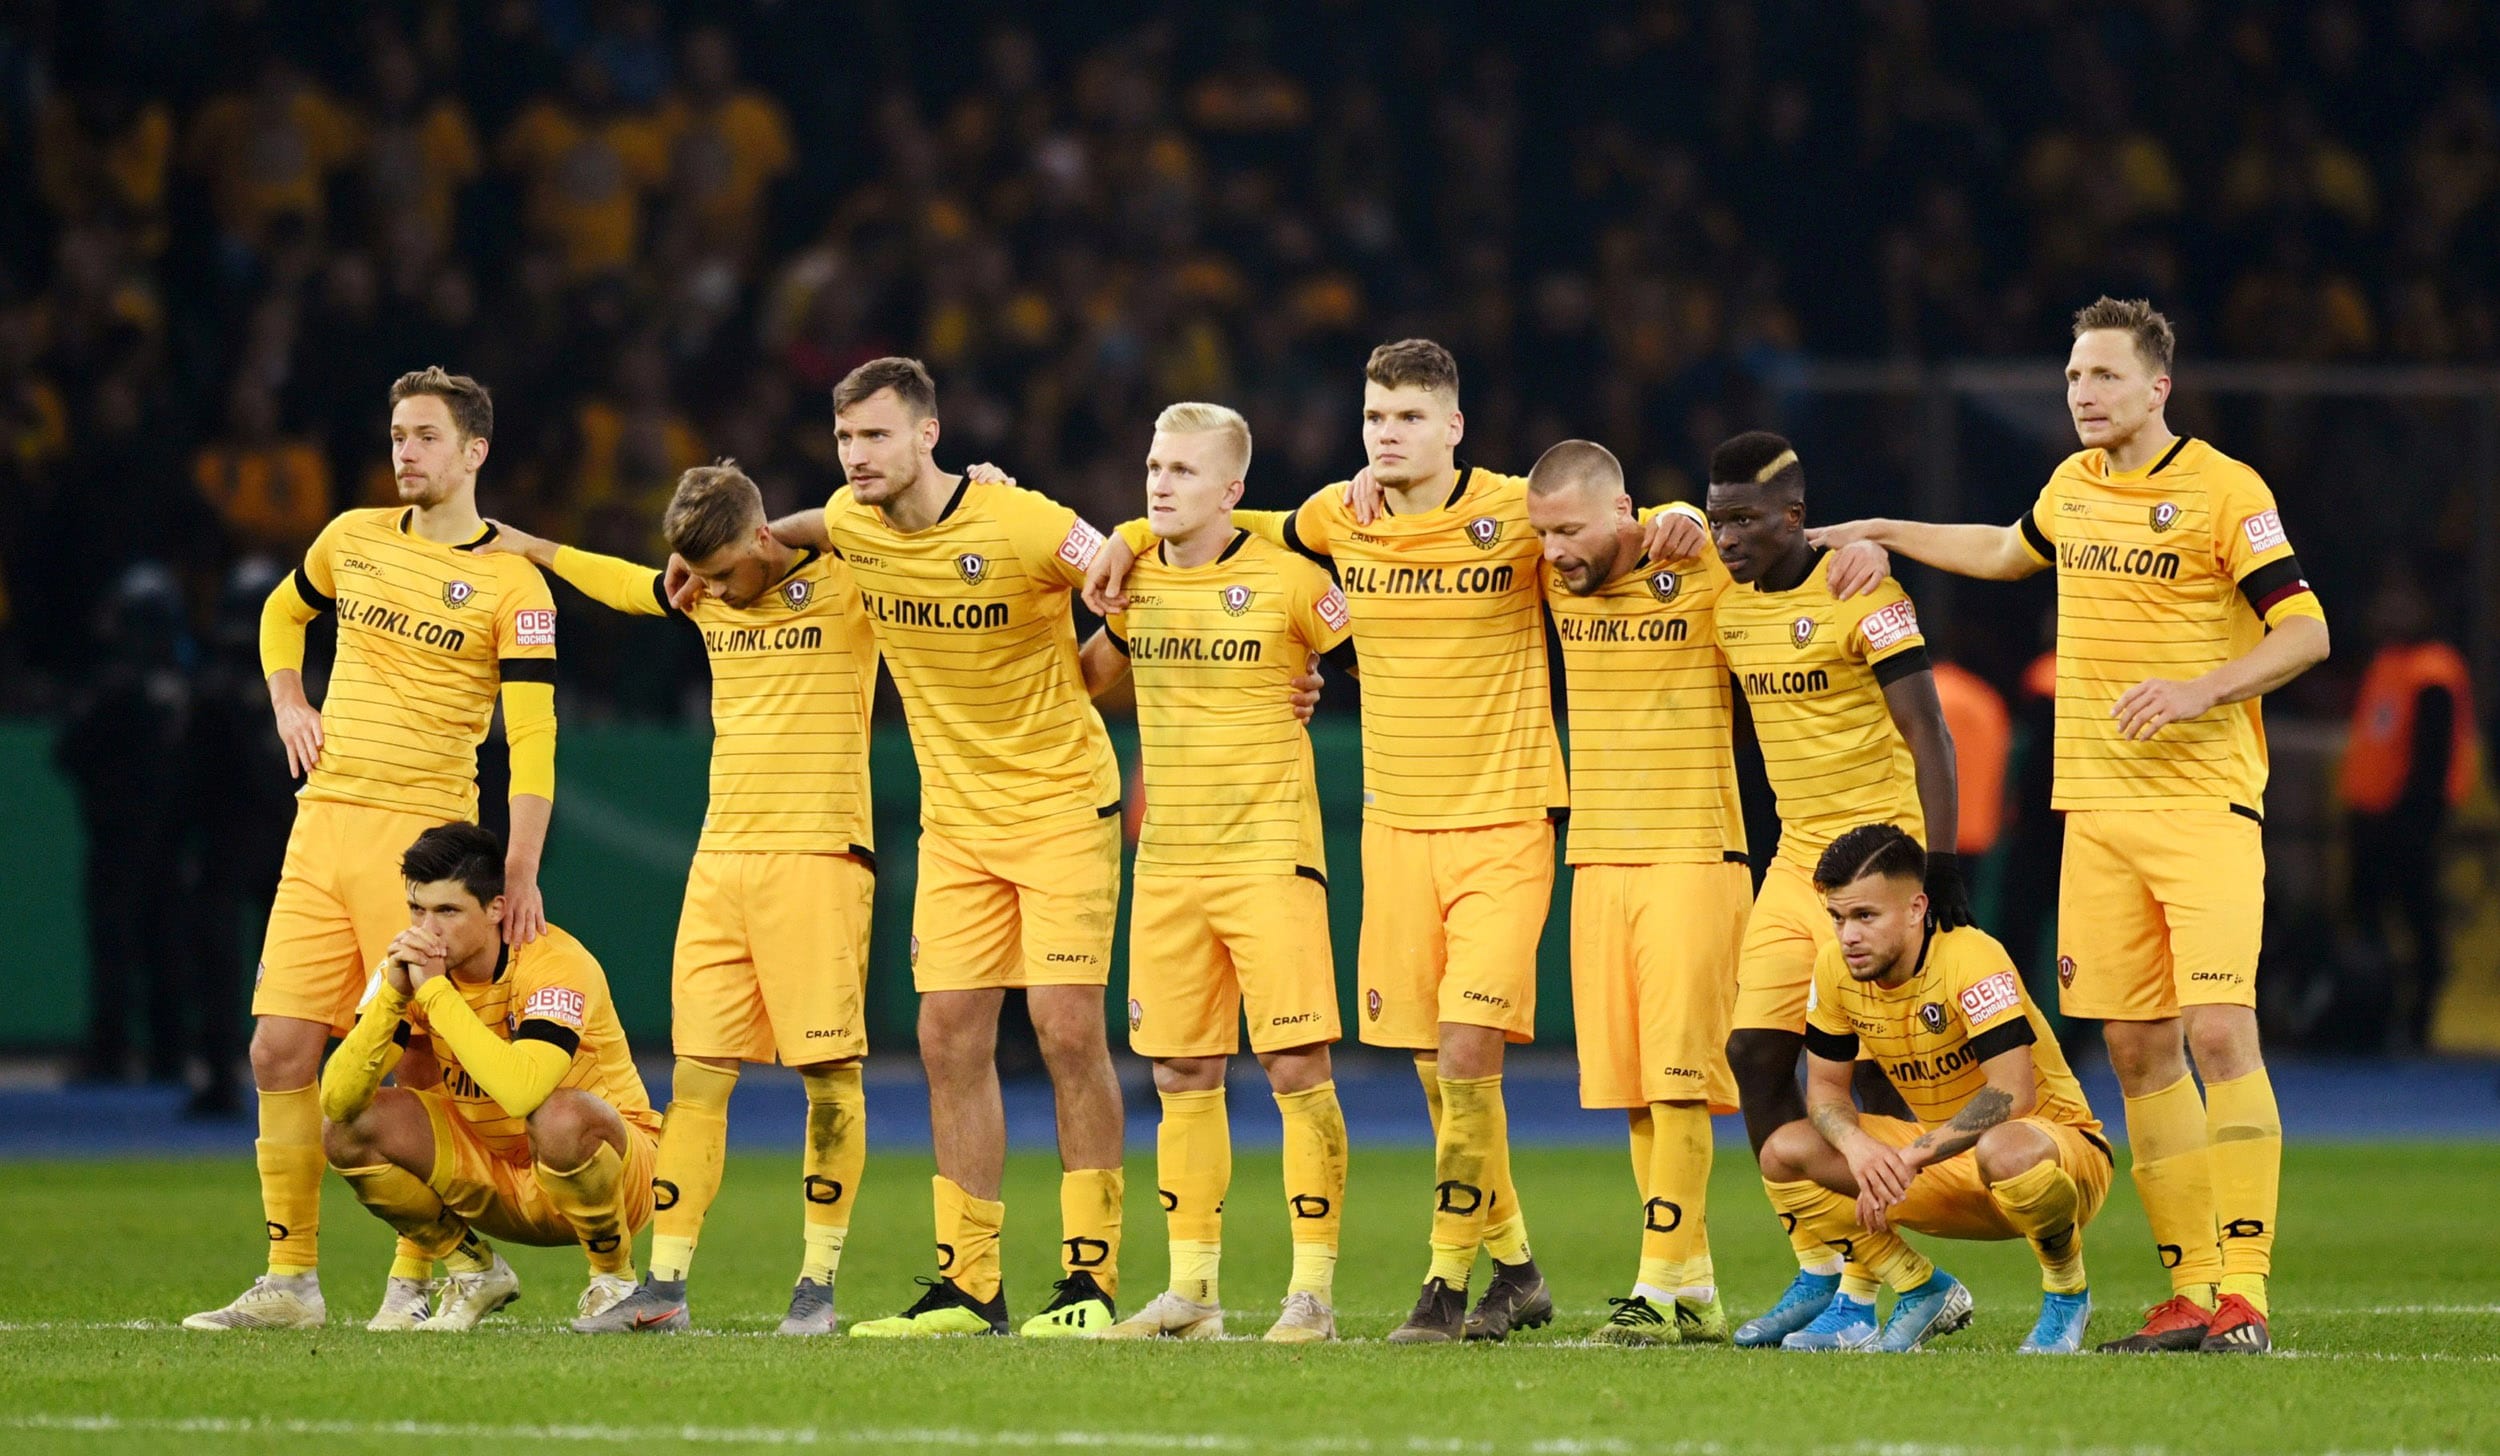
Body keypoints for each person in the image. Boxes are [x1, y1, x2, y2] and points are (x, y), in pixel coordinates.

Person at [1086, 340, 1701, 1344]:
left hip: (1503, 819)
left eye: (1409, 417)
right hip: (1392, 826)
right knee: (1428, 1068)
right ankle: (1516, 1266)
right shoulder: (1338, 515)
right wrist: (1124, 535)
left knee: (1466, 1056)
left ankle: (1443, 1282)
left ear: (1454, 427)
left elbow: (1610, 520)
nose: (1387, 434)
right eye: (1375, 416)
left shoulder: (1510, 511)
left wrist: (1677, 513)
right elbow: (1227, 522)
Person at [1811, 296, 2332, 1354]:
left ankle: (2246, 1287)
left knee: (2220, 1030)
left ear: (2157, 388)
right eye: (2071, 379)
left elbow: (2307, 630)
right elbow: (2007, 552)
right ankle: (2188, 1292)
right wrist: (1881, 531)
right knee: (2138, 1048)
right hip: (2094, 811)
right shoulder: (2072, 487)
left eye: (2102, 376)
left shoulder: (2225, 491)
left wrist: (2200, 688)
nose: (2082, 395)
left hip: (2201, 805)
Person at [676, 358, 1127, 1337]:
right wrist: (720, 557)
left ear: (929, 434)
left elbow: (1127, 569)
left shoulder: (1020, 520)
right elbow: (797, 526)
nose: (856, 455)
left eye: (875, 435)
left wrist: (1126, 635)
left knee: (1063, 1030)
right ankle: (970, 1287)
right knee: (946, 1038)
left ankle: (1090, 1283)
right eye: (844, 439)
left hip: (1059, 806)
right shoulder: (849, 521)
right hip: (957, 825)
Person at [185, 367, 561, 1333]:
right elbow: (282, 612)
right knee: (278, 1048)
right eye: (398, 433)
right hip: (323, 828)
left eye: (427, 436)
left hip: (424, 843)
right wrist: (289, 702)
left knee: (417, 1065)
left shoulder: (514, 585)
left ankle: (422, 1275)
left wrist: (517, 870)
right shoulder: (349, 537)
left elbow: (533, 737)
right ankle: (293, 1280)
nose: (406, 451)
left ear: (474, 452)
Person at [481, 460, 880, 1334]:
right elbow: (628, 588)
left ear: (765, 539)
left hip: (818, 858)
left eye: (725, 571)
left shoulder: (851, 580)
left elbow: (892, 520)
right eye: (698, 575)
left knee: (828, 1078)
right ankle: (663, 1290)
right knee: (697, 1080)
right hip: (720, 864)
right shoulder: (703, 593)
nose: (713, 592)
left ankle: (816, 1289)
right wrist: (537, 548)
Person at [1073, 403, 1357, 1344]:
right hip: (1168, 865)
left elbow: (1382, 652)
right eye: (1154, 467)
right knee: (1182, 1070)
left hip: (1270, 855)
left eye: (1184, 472)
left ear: (1233, 490)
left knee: (1293, 1066)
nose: (1160, 484)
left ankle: (1310, 1295)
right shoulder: (1134, 579)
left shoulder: (1292, 585)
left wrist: (1323, 682)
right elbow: (1085, 678)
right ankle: (1191, 1294)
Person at [1700, 430, 1967, 1351]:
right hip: (1796, 862)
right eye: (1714, 516)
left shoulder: (1865, 594)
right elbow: (1639, 535)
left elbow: (1929, 728)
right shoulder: (1725, 603)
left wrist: (1937, 868)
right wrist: (1665, 521)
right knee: (1752, 1057)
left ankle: (1861, 1289)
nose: (1724, 536)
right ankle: (1835, 1270)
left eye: (1743, 518)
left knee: (1851, 1076)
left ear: (1795, 519)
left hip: (1880, 863)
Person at [1760, 823, 2111, 1354]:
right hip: (1946, 1164)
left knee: (2005, 1147)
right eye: (1837, 917)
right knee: (1785, 1151)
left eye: (1864, 916)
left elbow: (2013, 1095)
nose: (1848, 935)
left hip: (2057, 1156)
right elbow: (1827, 1093)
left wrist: (1910, 1157)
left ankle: (2067, 1293)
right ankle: (1919, 1287)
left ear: (1917, 908)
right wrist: (1858, 1148)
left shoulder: (1970, 957)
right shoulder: (1834, 968)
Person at [319, 824, 661, 1331]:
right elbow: (337, 1100)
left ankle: (613, 1278)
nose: (427, 930)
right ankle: (473, 1269)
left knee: (560, 1115)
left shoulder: (555, 964)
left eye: (448, 912)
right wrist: (392, 996)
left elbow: (524, 1092)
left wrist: (433, 993)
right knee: (345, 1129)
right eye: (418, 910)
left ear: (497, 909)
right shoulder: (408, 968)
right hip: (493, 1170)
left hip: (610, 1171)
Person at [58, 562, 193, 1088]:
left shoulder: (113, 686)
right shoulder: (188, 685)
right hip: (172, 839)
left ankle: (111, 1053)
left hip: (119, 838)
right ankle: (169, 1054)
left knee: (117, 946)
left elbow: (68, 750)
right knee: (168, 946)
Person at [2341, 574, 2477, 1050]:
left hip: (2407, 823)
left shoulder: (2433, 671)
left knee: (2418, 924)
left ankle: (2419, 1025)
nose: (2392, 615)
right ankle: (2370, 1023)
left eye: (2404, 605)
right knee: (2368, 924)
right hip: (2370, 819)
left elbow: (2432, 758)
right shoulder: (2387, 662)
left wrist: (2416, 820)